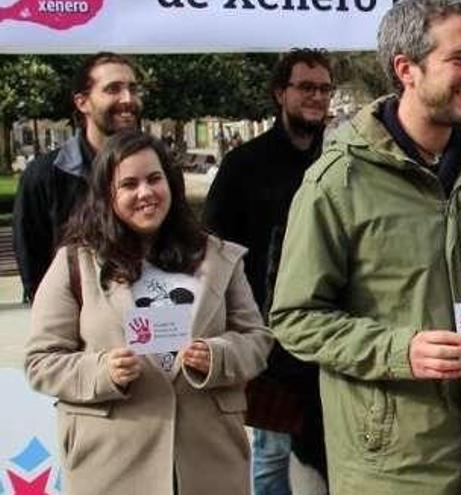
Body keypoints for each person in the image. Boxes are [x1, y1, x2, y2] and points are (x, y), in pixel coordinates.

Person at [269, 0, 461, 493]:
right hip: (395, 467)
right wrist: (401, 350)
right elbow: (295, 318)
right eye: (459, 59)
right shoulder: (338, 183)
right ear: (407, 69)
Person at [24, 131, 274, 494]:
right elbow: (40, 362)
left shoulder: (220, 257)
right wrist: (102, 370)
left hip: (209, 463)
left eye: (154, 179)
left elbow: (257, 341)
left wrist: (218, 356)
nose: (146, 193)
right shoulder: (74, 263)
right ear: (107, 195)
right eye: (129, 184)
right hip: (110, 467)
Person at [203, 48, 333, 495]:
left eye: (323, 89)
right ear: (281, 93)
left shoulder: (339, 163)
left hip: (328, 333)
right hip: (265, 336)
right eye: (305, 87)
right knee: (273, 451)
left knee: (325, 447)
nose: (316, 97)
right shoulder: (244, 165)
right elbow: (216, 250)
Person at [14, 52, 143, 303]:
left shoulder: (158, 170)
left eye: (133, 89)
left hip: (148, 319)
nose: (128, 99)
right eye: (113, 89)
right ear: (82, 102)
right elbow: (33, 262)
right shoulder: (44, 176)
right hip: (77, 325)